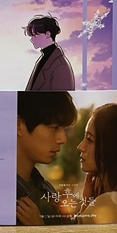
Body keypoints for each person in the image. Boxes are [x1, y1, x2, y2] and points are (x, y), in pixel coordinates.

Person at [16, 91, 77, 225]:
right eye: (54, 128)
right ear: (19, 125)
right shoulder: (2, 195)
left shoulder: (45, 189)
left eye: (64, 129)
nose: (63, 139)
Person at [76, 103, 117, 224]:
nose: (80, 147)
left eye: (89, 139)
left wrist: (38, 224)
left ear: (109, 146)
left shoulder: (109, 202)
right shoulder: (111, 199)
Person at [23, 14, 75, 91]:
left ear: (47, 34)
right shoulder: (44, 59)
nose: (31, 39)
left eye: (35, 35)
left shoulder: (60, 65)